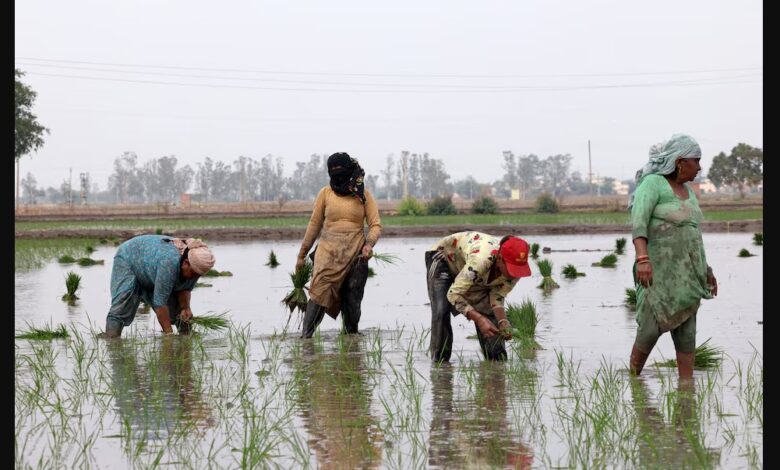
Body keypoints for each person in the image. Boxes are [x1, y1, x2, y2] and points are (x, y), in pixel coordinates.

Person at [627, 134, 718, 379]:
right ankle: (633, 381)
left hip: (688, 275)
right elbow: (639, 224)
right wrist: (642, 260)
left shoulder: (689, 192)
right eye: (695, 161)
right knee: (649, 330)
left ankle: (686, 390)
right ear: (679, 161)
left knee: (687, 334)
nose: (699, 167)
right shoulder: (653, 184)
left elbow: (693, 235)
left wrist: (707, 271)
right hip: (657, 272)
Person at [296, 152, 382, 338]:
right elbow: (314, 225)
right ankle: (306, 339)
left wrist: (369, 245)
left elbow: (375, 225)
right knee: (318, 293)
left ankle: (351, 341)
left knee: (352, 300)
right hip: (327, 254)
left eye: (340, 170)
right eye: (332, 171)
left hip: (355, 254)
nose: (337, 174)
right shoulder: (325, 194)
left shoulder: (363, 195)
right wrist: (302, 255)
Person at [425, 231, 532, 362]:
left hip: (470, 268)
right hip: (444, 258)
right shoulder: (480, 261)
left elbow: (497, 295)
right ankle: (440, 363)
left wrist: (503, 321)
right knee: (441, 311)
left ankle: (497, 366)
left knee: (489, 316)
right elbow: (453, 294)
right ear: (500, 259)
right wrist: (479, 319)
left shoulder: (514, 271)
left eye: (518, 270)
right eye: (511, 269)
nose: (515, 275)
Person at [100, 234, 216, 338]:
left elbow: (184, 287)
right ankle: (111, 338)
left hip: (151, 266)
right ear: (185, 263)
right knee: (123, 303)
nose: (195, 277)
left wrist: (186, 308)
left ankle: (185, 339)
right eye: (194, 273)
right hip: (129, 257)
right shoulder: (169, 263)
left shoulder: (194, 268)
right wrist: (169, 336)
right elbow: (160, 303)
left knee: (180, 314)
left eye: (198, 275)